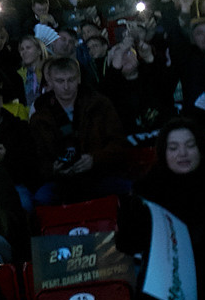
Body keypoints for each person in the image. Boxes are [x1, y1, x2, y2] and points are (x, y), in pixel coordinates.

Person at [117, 118, 205, 300]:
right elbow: (128, 243)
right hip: (167, 289)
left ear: (201, 149)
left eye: (190, 146)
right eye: (173, 148)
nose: (183, 154)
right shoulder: (147, 192)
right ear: (163, 152)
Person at [28, 55, 133, 202]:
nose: (66, 87)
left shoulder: (99, 105)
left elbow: (119, 144)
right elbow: (36, 159)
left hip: (100, 174)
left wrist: (94, 159)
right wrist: (54, 169)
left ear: (79, 79)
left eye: (70, 80)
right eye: (60, 81)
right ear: (50, 82)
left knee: (129, 189)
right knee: (42, 198)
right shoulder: (40, 117)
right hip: (61, 182)